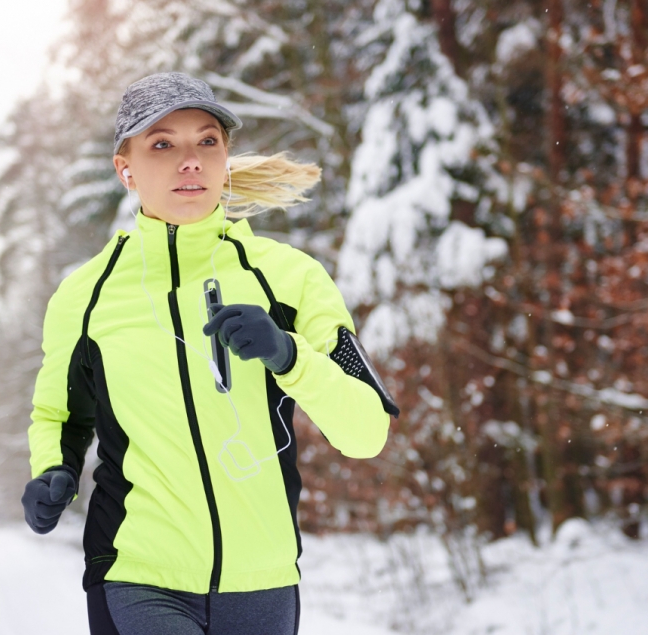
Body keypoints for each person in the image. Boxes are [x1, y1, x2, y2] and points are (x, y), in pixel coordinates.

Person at [20, 72, 399, 635]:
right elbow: (60, 415)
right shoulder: (86, 296)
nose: (189, 160)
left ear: (225, 158)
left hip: (262, 581)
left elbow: (367, 433)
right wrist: (53, 470)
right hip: (135, 570)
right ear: (125, 167)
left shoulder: (289, 279)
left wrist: (289, 356)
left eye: (207, 141)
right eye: (163, 144)